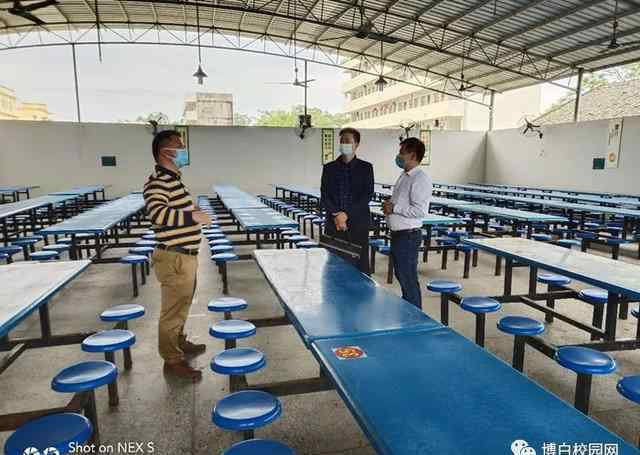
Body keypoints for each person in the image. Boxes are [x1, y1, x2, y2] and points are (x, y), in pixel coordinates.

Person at [143, 130, 212, 381]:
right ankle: (172, 361)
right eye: (179, 146)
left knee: (182, 306)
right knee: (172, 312)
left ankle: (179, 342)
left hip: (186, 257)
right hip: (175, 257)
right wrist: (193, 216)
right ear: (166, 152)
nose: (184, 150)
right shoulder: (158, 181)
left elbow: (176, 209)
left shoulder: (175, 180)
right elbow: (158, 215)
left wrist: (192, 210)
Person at [383, 137, 432, 309]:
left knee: (408, 279)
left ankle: (416, 317)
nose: (398, 156)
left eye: (402, 152)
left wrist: (394, 208)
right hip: (399, 235)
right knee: (402, 276)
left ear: (412, 155)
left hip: (408, 236)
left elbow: (420, 211)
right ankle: (409, 311)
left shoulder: (420, 178)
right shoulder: (405, 175)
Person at [321, 128, 374, 274]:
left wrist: (346, 214)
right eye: (342, 140)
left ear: (356, 144)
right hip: (334, 224)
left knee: (359, 266)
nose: (344, 143)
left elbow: (367, 195)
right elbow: (325, 195)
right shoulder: (329, 168)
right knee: (333, 266)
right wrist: (337, 215)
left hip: (358, 223)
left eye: (348, 141)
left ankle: (360, 297)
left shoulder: (366, 168)